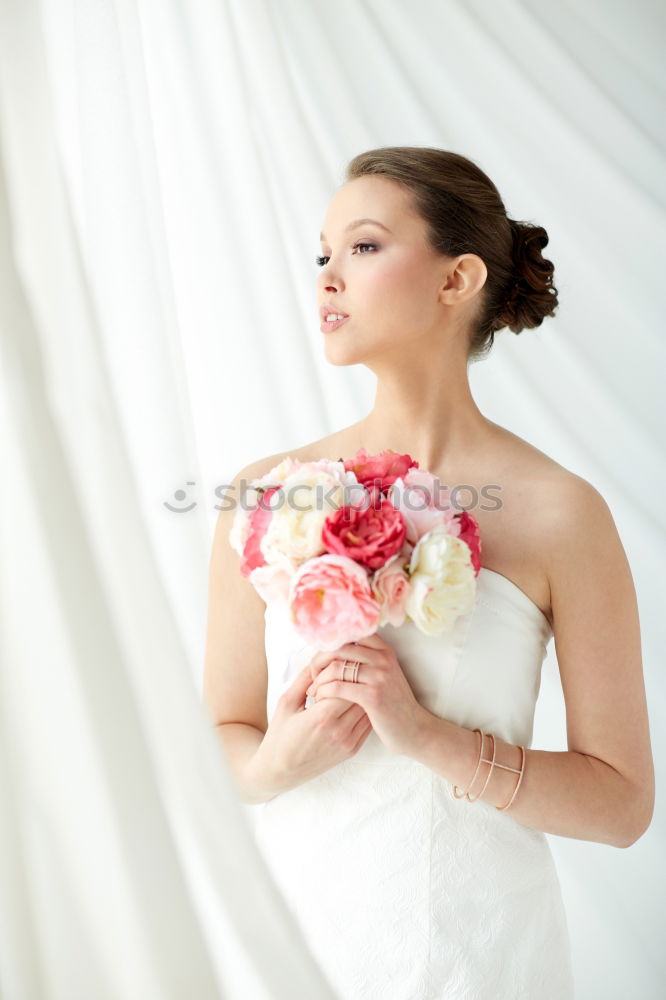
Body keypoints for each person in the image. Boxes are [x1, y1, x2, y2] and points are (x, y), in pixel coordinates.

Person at [203, 146, 654, 999]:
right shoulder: (264, 495)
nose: (329, 276)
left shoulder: (562, 512)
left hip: (480, 961)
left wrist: (430, 740)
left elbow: (622, 803)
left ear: (457, 281)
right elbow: (222, 733)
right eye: (324, 254)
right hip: (289, 951)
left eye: (365, 247)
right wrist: (275, 766)